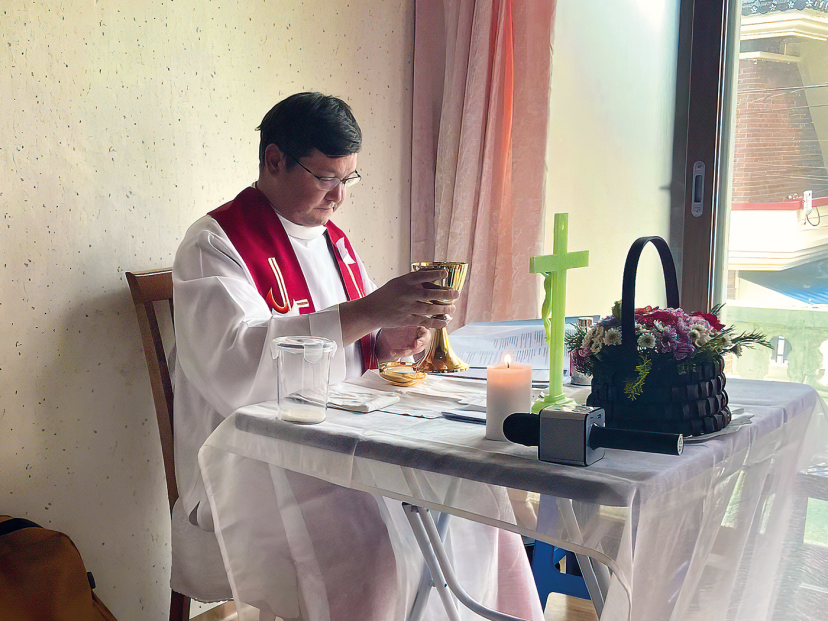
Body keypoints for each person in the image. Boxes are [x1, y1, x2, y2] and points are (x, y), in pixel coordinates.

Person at [172, 92, 543, 621]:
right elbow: (235, 372)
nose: (339, 197)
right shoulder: (215, 243)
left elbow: (362, 340)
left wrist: (389, 339)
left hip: (343, 436)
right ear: (274, 160)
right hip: (256, 456)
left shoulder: (335, 243)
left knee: (475, 505)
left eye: (349, 179)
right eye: (326, 178)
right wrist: (370, 315)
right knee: (376, 554)